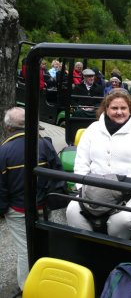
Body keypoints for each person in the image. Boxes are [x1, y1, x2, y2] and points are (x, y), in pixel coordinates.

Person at [66, 89, 131, 239]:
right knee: (72, 211)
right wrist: (82, 187)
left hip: (130, 189)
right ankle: (86, 244)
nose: (119, 112)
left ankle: (116, 250)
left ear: (130, 109)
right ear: (106, 109)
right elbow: (81, 161)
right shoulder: (93, 129)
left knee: (122, 221)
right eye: (114, 108)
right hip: (93, 186)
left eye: (123, 108)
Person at [0, 107, 63, 292]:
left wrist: (3, 210)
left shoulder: (4, 151)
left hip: (17, 210)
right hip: (42, 205)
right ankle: (45, 279)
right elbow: (57, 172)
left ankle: (28, 289)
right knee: (42, 242)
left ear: (8, 127)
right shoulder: (43, 144)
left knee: (24, 249)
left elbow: (1, 188)